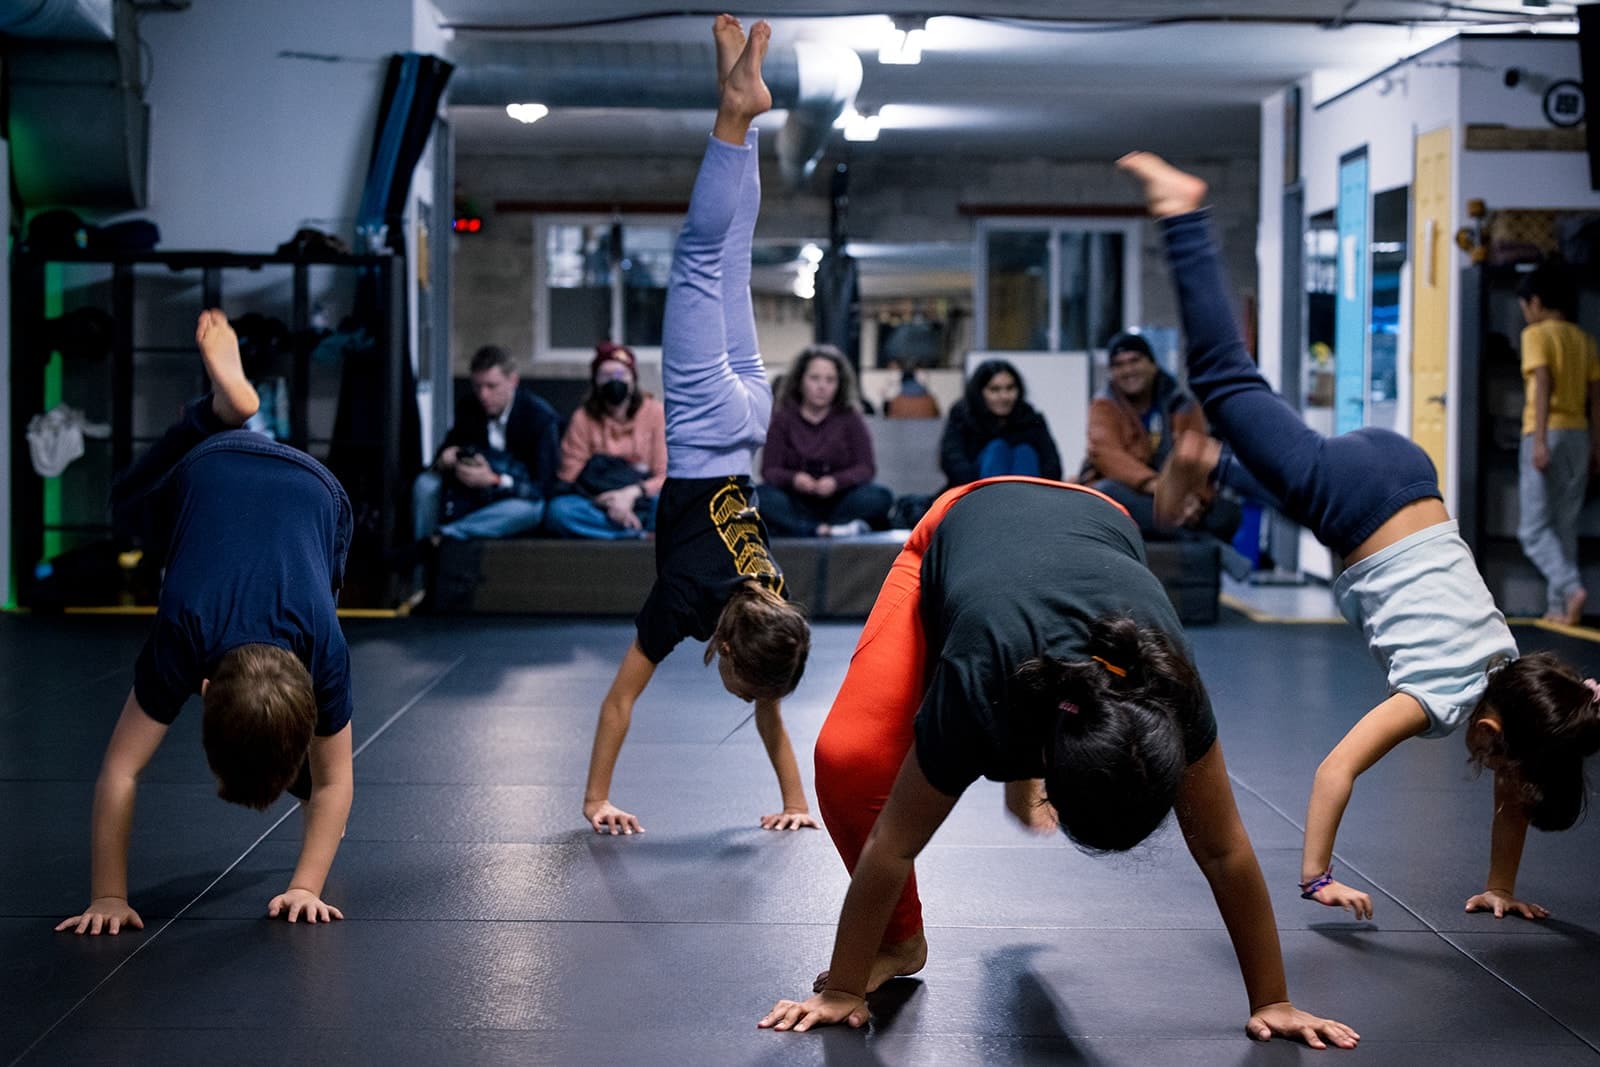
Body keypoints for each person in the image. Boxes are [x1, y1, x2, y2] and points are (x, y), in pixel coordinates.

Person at [1123, 151, 1600, 922]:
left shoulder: (1524, 678)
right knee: (1223, 377)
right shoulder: (1438, 700)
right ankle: (1183, 211)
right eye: (1496, 760)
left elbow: (1521, 788)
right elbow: (1335, 768)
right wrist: (1316, 878)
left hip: (1405, 475)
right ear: (1486, 730)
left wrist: (1502, 887)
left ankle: (1207, 466)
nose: (1496, 781)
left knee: (1229, 496)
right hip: (1357, 503)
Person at [757, 476, 1357, 1048]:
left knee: (1011, 695)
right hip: (962, 521)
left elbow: (1225, 851)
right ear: (1046, 758)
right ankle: (899, 942)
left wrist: (1272, 1001)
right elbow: (893, 843)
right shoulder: (977, 685)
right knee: (849, 758)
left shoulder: (1169, 688)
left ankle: (1021, 767)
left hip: (1100, 526)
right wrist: (841, 988)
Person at [581, 16, 813, 836]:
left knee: (733, 256)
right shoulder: (687, 602)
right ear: (733, 658)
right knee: (699, 257)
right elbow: (619, 702)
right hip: (709, 425)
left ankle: (737, 103)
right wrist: (595, 798)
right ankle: (733, 113)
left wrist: (797, 803)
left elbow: (773, 702)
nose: (748, 700)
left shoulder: (773, 602)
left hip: (750, 421)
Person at [58, 310, 354, 936]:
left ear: (205, 689)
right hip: (258, 478)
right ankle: (220, 415)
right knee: (125, 505)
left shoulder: (306, 645)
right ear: (205, 690)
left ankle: (229, 412)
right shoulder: (196, 635)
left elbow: (120, 770)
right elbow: (334, 782)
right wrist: (306, 887)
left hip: (308, 491)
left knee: (135, 511)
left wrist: (109, 898)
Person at [1081, 330, 1239, 542]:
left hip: (1179, 499)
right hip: (1138, 493)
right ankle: (1193, 539)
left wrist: (1196, 499)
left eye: (1134, 361)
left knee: (1227, 512)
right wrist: (1158, 487)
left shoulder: (1181, 404)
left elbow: (1200, 456)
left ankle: (1186, 533)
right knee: (1107, 493)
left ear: (1153, 364)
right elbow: (1107, 455)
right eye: (1118, 365)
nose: (1127, 370)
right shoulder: (1104, 406)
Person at [1515, 263, 1600, 625]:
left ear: (1535, 302)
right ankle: (1559, 609)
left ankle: (1569, 587)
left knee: (1532, 530)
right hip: (1580, 435)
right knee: (1564, 524)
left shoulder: (1536, 335)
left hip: (1545, 431)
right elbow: (1596, 397)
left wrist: (1540, 440)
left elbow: (1544, 380)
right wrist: (1597, 445)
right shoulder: (1583, 339)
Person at [412, 344, 560, 542]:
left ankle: (442, 537)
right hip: (469, 494)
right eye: (477, 386)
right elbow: (444, 455)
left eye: (492, 386)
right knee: (425, 485)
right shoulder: (469, 407)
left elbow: (542, 487)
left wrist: (494, 480)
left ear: (512, 381)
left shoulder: (539, 418)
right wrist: (447, 459)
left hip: (511, 499)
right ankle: (423, 558)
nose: (484, 395)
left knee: (532, 510)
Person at [760, 343, 893, 537]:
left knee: (880, 496)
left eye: (830, 380)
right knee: (760, 497)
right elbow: (769, 470)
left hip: (839, 501)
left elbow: (866, 468)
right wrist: (795, 479)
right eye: (814, 378)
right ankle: (823, 530)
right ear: (800, 381)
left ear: (839, 384)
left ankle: (810, 528)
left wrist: (835, 482)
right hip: (795, 501)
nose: (822, 386)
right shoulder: (783, 418)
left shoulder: (850, 418)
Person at [545, 341, 668, 539]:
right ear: (595, 382)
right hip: (598, 502)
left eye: (620, 374)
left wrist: (629, 495)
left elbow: (666, 475)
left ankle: (630, 530)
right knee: (559, 511)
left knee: (670, 505)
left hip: (642, 496)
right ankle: (636, 535)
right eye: (606, 376)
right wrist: (608, 501)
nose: (614, 381)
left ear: (633, 379)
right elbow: (569, 477)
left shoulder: (656, 413)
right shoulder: (582, 418)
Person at [939, 359, 1062, 487]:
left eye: (1010, 388)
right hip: (976, 494)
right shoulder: (963, 418)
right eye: (994, 389)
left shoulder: (1031, 419)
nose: (1004, 396)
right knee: (997, 449)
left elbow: (1053, 468)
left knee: (1025, 452)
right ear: (979, 392)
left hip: (1029, 497)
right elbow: (954, 466)